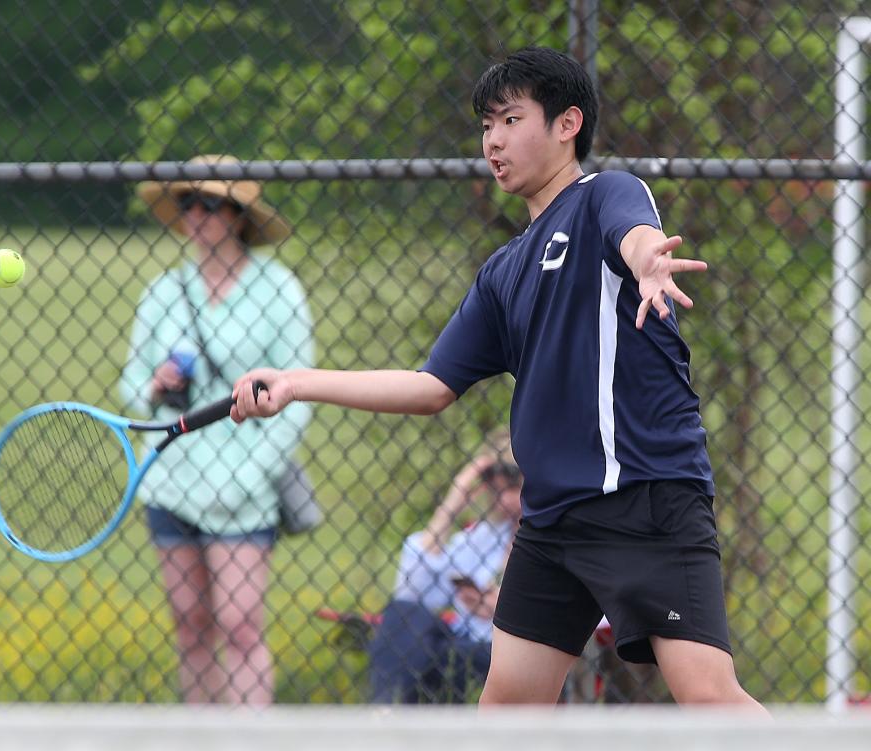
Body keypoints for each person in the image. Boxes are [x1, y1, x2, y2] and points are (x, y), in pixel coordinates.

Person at [229, 48, 766, 711]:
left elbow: (634, 235)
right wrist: (298, 382)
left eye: (511, 119)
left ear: (568, 124)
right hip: (552, 523)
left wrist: (647, 261)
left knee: (710, 698)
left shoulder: (605, 194)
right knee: (505, 716)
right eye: (487, 125)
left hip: (644, 499)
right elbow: (430, 387)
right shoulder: (502, 272)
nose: (494, 141)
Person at [119, 155, 315, 705]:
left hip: (243, 485)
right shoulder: (164, 290)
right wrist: (153, 387)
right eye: (187, 204)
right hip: (172, 476)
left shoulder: (278, 290)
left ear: (237, 215)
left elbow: (296, 395)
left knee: (241, 624)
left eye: (209, 204)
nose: (197, 215)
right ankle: (200, 748)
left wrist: (253, 474)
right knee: (189, 624)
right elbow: (131, 383)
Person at [369, 433, 522, 703]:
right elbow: (412, 592)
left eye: (513, 489)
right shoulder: (484, 536)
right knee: (403, 615)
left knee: (457, 655)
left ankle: (389, 714)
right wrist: (451, 505)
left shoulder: (561, 536)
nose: (504, 502)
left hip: (511, 653)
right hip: (461, 647)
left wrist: (507, 609)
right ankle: (384, 711)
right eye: (496, 491)